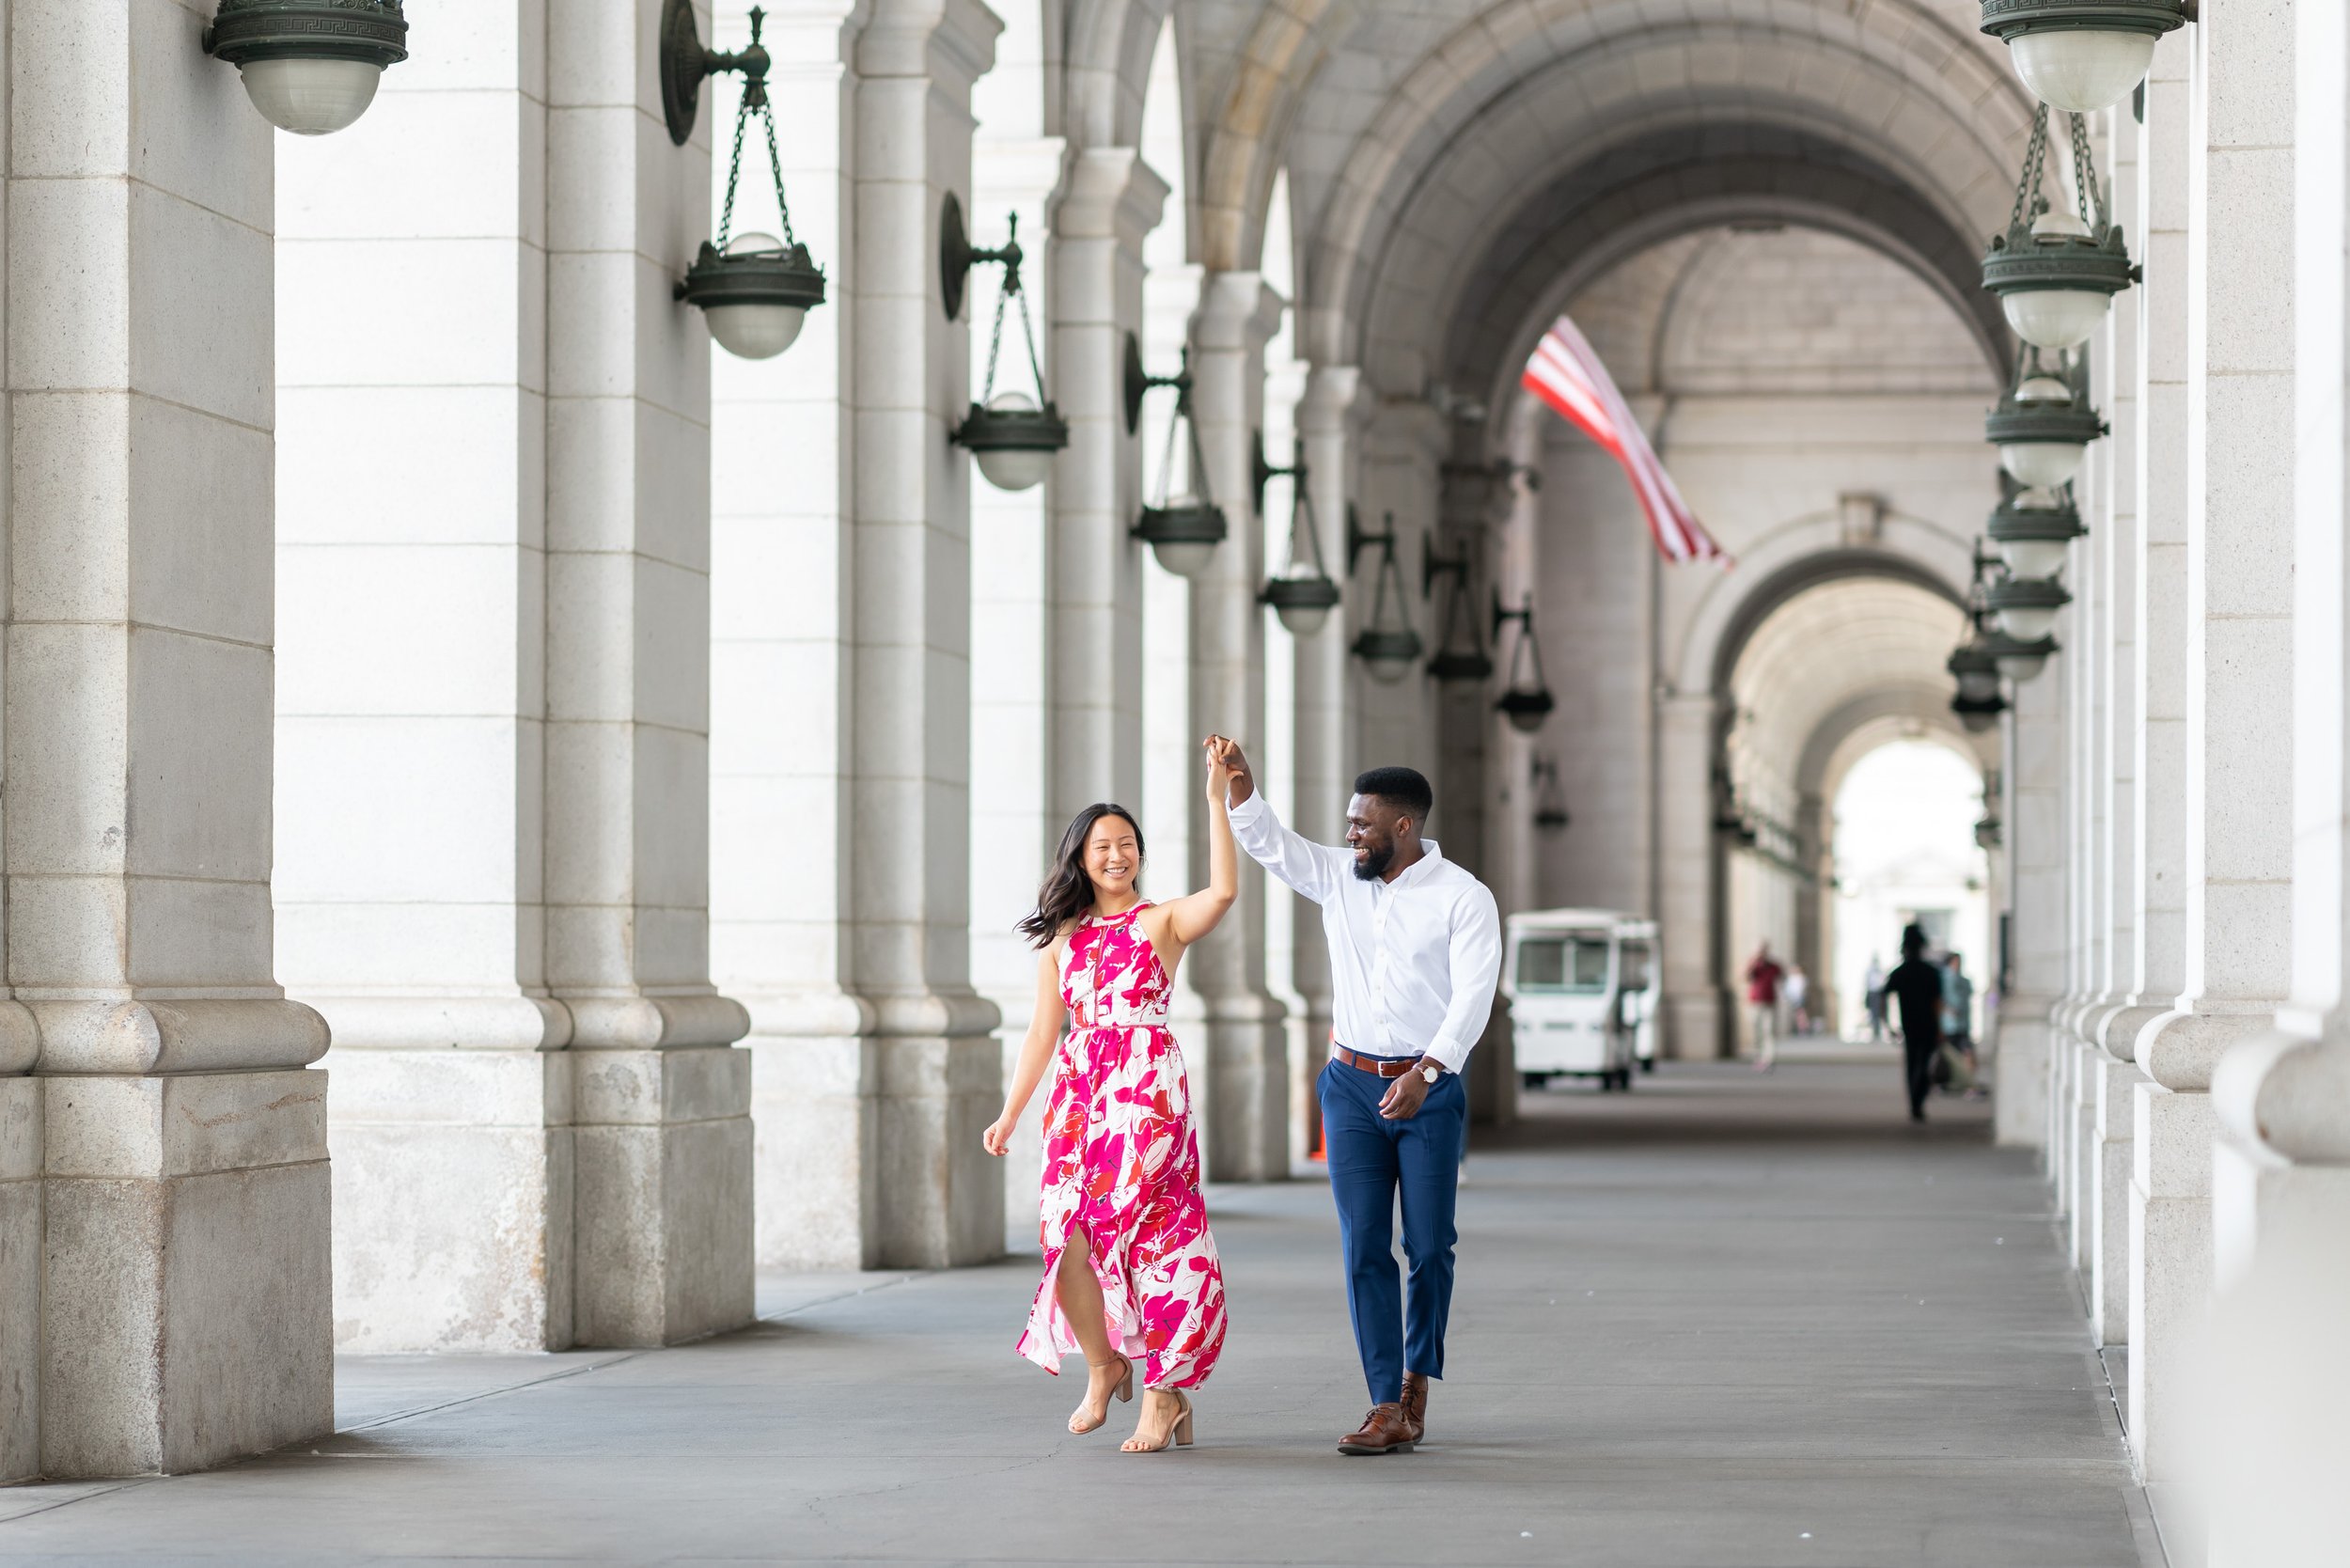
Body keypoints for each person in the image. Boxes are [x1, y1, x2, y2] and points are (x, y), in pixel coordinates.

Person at [1208, 737, 1500, 1457]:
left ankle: (1415, 1376)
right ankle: (1384, 1403)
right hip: (1348, 1087)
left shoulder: (1464, 896)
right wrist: (1241, 789)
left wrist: (1427, 1072)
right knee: (1363, 1244)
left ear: (1403, 827)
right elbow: (1275, 847)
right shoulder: (1341, 876)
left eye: (1361, 825)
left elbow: (1474, 995)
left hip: (1427, 1089)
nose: (1348, 835)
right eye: (1348, 823)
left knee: (1429, 1246)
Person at [982, 743, 1238, 1453]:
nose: (1117, 855)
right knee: (1067, 1241)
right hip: (1078, 1099)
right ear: (1080, 858)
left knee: (1158, 1238)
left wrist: (1217, 800)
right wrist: (1010, 1113)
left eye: (1127, 844)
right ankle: (1105, 1366)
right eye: (1103, 846)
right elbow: (1040, 1035)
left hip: (1147, 1094)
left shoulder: (1161, 922)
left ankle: (1164, 1394)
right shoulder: (1063, 940)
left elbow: (1221, 894)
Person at [1884, 925, 1946, 1122]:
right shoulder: (1931, 972)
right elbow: (1937, 1002)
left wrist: (1888, 1024)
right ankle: (1919, 1099)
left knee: (1912, 1063)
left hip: (1909, 1024)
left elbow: (1884, 996)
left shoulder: (1900, 972)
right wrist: (1940, 1027)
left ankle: (1915, 1102)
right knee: (1924, 1063)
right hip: (1929, 1025)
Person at [1940, 952, 1979, 1089]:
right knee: (1947, 1056)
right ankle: (1945, 1081)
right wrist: (1947, 1009)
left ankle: (1970, 1084)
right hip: (1947, 1025)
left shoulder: (1964, 981)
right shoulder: (1943, 979)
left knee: (1968, 1052)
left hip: (1961, 1025)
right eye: (1955, 962)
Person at [1745, 943, 1783, 1071]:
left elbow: (1782, 978)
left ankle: (1769, 1058)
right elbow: (1745, 977)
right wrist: (1753, 963)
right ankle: (1757, 1057)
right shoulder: (1753, 964)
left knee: (1769, 1030)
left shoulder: (1774, 966)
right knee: (1756, 1031)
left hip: (1770, 1002)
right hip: (1755, 1002)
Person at [1864, 955, 1888, 1043]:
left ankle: (1877, 1030)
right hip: (1874, 992)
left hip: (1876, 992)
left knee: (1876, 1012)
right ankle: (1875, 1030)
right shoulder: (1875, 970)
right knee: (1875, 1012)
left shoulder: (1877, 970)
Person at [1783, 964, 1810, 1036]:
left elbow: (1802, 989)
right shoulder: (1791, 978)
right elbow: (1788, 989)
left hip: (1799, 998)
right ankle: (1799, 1028)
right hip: (1793, 998)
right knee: (1797, 1014)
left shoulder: (1801, 978)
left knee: (1801, 1013)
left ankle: (1803, 1028)